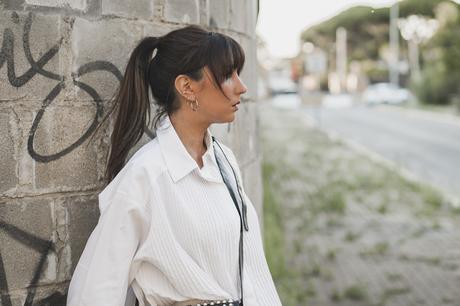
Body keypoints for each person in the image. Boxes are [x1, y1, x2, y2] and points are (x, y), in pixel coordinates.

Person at [66, 25, 282, 306]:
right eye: (228, 75)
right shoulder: (145, 176)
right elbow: (94, 293)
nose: (242, 87)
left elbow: (252, 272)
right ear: (187, 87)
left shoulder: (224, 161)